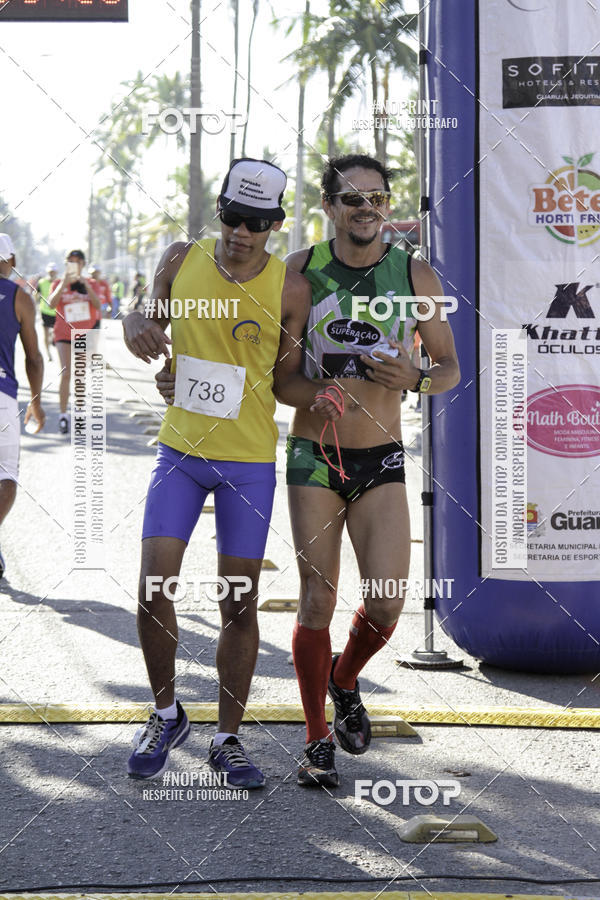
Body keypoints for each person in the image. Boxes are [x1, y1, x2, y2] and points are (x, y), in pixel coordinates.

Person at [122, 158, 341, 786]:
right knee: (152, 587)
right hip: (181, 454)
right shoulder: (179, 259)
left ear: (275, 224)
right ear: (218, 209)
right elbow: (148, 321)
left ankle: (227, 739)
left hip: (248, 464)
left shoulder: (289, 288)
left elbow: (288, 379)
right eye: (231, 218)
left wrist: (320, 394)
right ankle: (167, 714)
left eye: (256, 223)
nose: (241, 233)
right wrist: (138, 323)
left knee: (238, 603)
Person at [283, 154, 460, 786]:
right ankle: (315, 742)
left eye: (377, 198)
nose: (366, 208)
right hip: (315, 455)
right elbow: (281, 380)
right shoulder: (299, 275)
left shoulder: (415, 275)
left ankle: (344, 678)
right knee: (316, 599)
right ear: (329, 207)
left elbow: (449, 368)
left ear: (387, 206)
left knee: (387, 604)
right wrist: (314, 393)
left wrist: (415, 377)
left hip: (381, 458)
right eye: (352, 198)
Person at [0, 234, 46, 578]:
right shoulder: (20, 297)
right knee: (6, 477)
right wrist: (36, 401)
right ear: (11, 261)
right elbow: (33, 357)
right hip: (2, 395)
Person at [48, 250, 101, 434]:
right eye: (70, 261)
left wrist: (84, 282)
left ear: (83, 264)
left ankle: (78, 413)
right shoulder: (58, 283)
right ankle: (63, 415)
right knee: (66, 373)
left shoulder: (91, 283)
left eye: (77, 262)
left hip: (83, 333)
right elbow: (51, 304)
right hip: (63, 333)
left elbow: (98, 304)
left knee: (79, 375)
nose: (74, 264)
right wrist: (64, 282)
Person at [36, 263, 58, 361]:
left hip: (57, 312)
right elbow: (36, 295)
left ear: (56, 272)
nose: (52, 273)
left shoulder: (60, 282)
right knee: (45, 332)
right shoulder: (41, 282)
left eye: (53, 271)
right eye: (50, 272)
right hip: (44, 311)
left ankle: (52, 338)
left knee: (54, 333)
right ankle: (48, 353)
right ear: (48, 272)